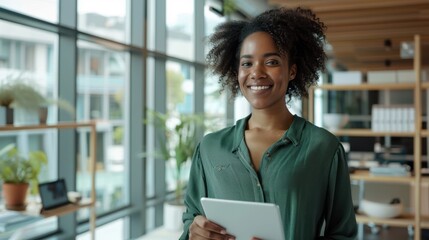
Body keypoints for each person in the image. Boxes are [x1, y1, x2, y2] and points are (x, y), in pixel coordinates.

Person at [180, 7, 357, 240]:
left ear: (292, 70)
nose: (257, 73)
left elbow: (343, 234)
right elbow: (191, 222)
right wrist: (195, 232)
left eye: (271, 61)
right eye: (247, 63)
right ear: (236, 72)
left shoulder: (324, 148)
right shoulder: (210, 148)